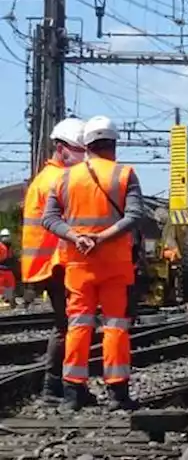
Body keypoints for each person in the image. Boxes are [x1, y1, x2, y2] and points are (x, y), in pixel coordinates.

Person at [42, 115, 144, 412]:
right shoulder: (125, 174)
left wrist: (77, 237)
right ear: (113, 144)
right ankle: (117, 394)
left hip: (78, 265)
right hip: (115, 265)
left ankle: (73, 393)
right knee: (115, 326)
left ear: (86, 145)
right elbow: (135, 216)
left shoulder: (64, 177)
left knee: (78, 325)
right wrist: (103, 238)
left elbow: (50, 219)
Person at [21, 117, 85, 404]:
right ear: (60, 148)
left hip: (51, 264)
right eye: (77, 148)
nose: (82, 155)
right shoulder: (57, 180)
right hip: (57, 264)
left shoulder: (46, 178)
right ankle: (55, 386)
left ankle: (60, 385)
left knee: (67, 324)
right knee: (69, 325)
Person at [0, 230, 13, 307]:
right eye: (4, 236)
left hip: (8, 269)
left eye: (7, 236)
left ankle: (7, 300)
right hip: (1, 269)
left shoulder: (9, 247)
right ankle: (1, 300)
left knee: (10, 285)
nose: (5, 238)